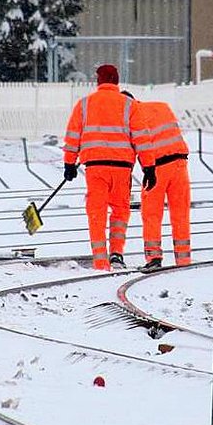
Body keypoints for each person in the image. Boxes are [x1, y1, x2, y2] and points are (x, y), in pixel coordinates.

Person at [62, 64, 137, 270]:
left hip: (95, 168)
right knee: (120, 211)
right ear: (117, 80)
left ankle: (100, 260)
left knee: (97, 212)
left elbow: (73, 136)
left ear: (98, 81)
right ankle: (117, 253)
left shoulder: (84, 104)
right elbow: (140, 137)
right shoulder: (129, 105)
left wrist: (70, 163)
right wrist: (148, 165)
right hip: (123, 168)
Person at [131, 98, 191, 270]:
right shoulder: (161, 106)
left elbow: (136, 147)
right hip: (180, 164)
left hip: (156, 168)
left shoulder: (133, 116)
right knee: (180, 214)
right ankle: (183, 260)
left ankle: (154, 258)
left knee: (151, 214)